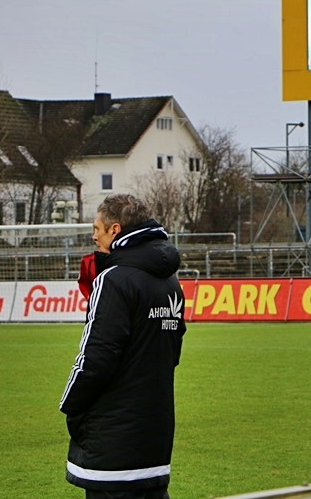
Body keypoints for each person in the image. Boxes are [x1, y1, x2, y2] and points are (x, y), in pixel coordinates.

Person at [60, 194, 186, 498]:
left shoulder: (113, 280)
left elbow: (96, 358)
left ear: (115, 230)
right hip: (155, 435)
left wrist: (71, 405)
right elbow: (172, 354)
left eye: (97, 229)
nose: (93, 236)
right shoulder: (171, 282)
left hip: (113, 441)